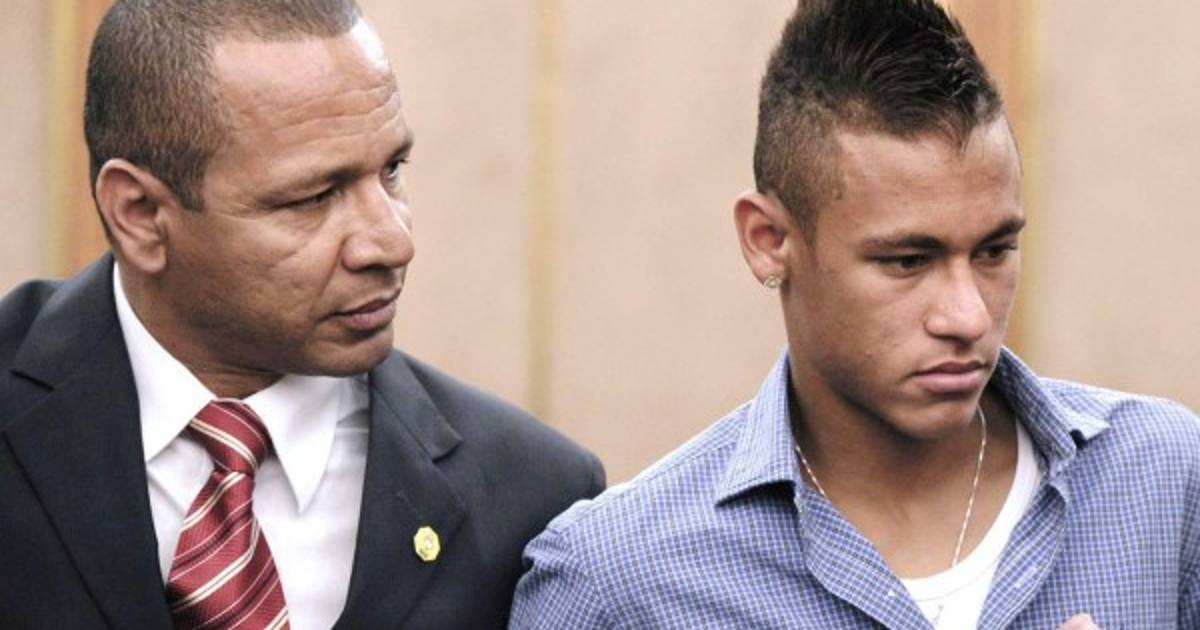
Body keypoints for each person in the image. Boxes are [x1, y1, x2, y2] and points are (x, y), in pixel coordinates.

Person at [510, 1, 1199, 628]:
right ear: (768, 240)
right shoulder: (619, 580)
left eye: (994, 251)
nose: (967, 316)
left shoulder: (1166, 482)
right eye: (908, 261)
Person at [0, 1, 604, 628]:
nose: (392, 243)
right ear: (141, 214)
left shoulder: (531, 498)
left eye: (391, 170)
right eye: (314, 197)